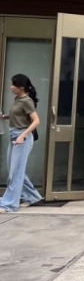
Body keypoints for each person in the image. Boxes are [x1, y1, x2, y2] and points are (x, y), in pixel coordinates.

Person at [0, 74, 43, 213]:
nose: (11, 87)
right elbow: (19, 116)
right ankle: (33, 196)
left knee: (15, 173)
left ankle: (10, 205)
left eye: (14, 85)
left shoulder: (26, 101)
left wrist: (23, 136)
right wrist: (5, 116)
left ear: (22, 87)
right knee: (15, 171)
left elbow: (36, 121)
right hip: (14, 135)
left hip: (22, 138)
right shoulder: (17, 99)